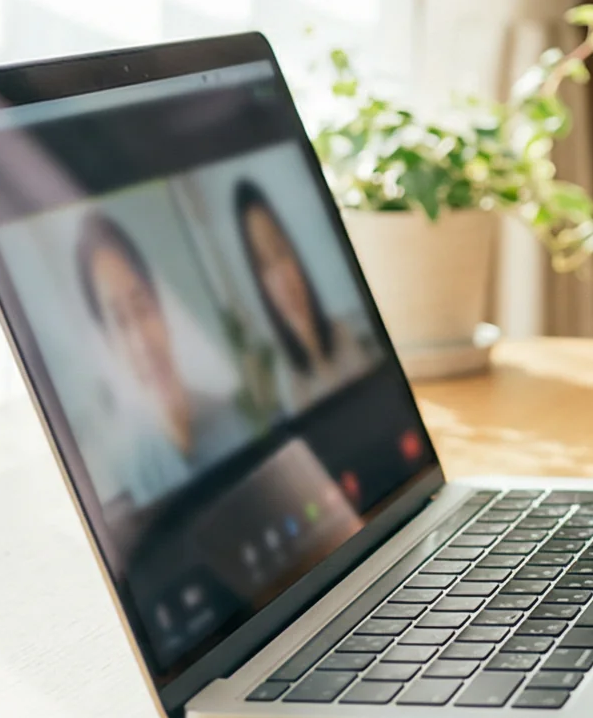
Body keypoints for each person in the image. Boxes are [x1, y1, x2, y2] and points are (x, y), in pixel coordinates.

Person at [74, 208, 252, 510]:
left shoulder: (236, 419)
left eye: (142, 307)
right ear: (108, 342)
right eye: (119, 321)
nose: (142, 342)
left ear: (160, 305)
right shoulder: (127, 475)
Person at [229, 178, 372, 411]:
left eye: (280, 251)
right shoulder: (287, 381)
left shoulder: (342, 334)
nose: (281, 278)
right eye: (265, 264)